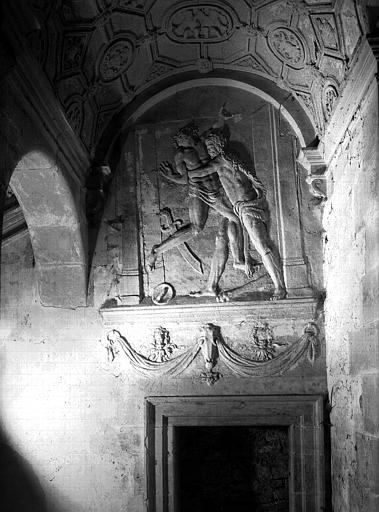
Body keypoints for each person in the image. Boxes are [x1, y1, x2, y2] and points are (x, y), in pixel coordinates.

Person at [148, 121, 254, 281]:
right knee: (196, 227)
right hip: (198, 191)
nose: (187, 141)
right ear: (181, 142)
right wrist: (171, 176)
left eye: (189, 138)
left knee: (234, 217)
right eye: (183, 140)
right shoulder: (181, 155)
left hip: (217, 190)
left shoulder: (203, 141)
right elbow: (185, 179)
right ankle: (157, 250)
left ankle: (238, 260)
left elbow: (216, 126)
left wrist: (221, 116)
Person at [189, 130, 286, 300]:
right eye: (207, 147)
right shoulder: (228, 158)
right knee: (260, 245)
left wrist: (181, 171)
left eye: (211, 146)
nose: (209, 150)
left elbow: (197, 173)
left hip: (248, 207)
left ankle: (279, 287)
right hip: (244, 207)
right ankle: (247, 265)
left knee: (264, 248)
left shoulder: (222, 159)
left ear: (219, 145)